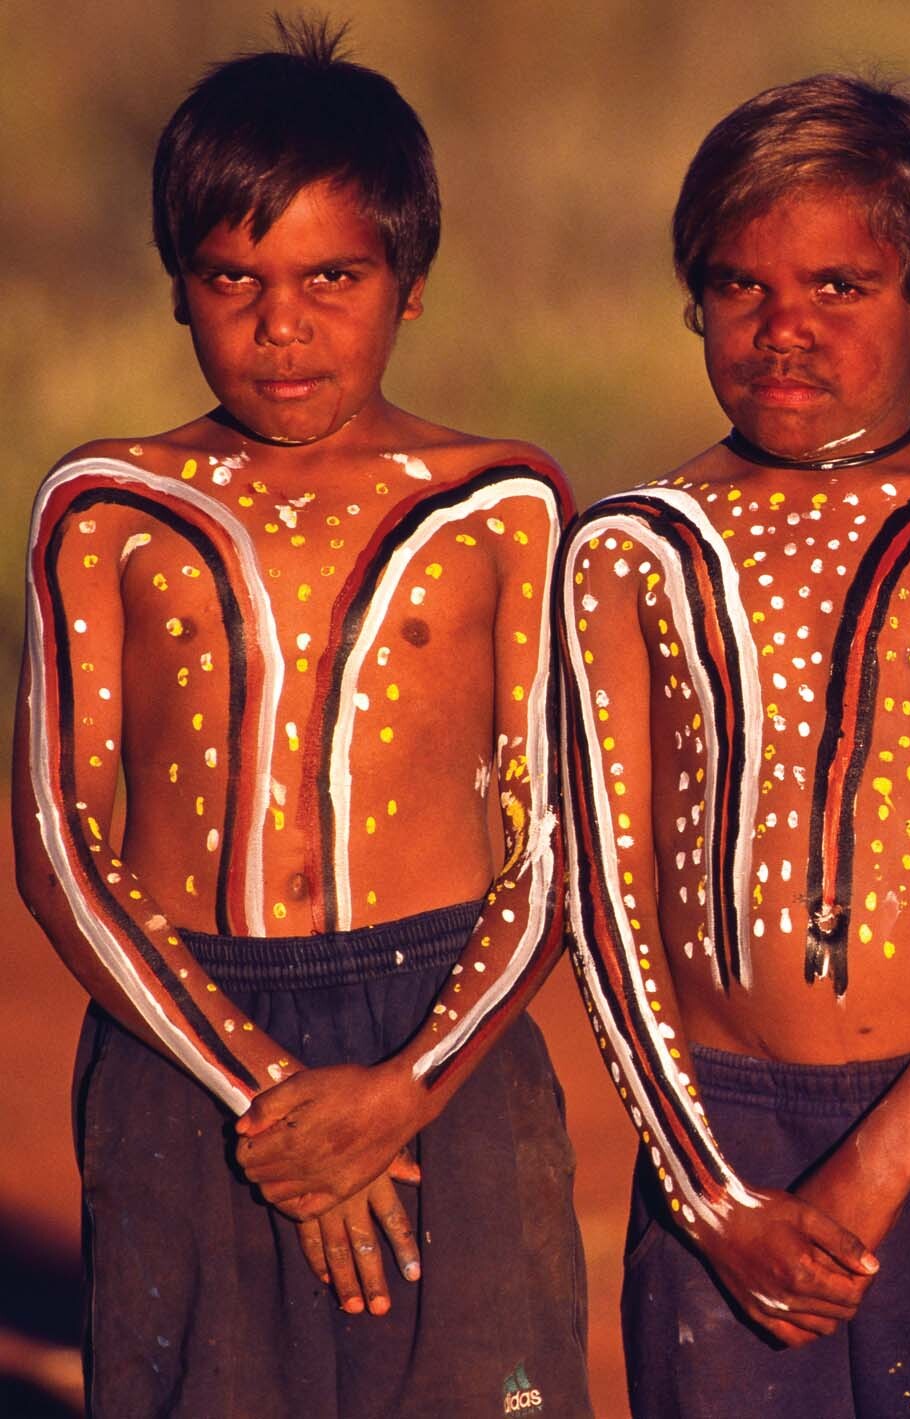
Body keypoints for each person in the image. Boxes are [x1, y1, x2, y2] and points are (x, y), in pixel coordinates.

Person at [13, 20, 590, 1418]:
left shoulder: (504, 506)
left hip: (441, 1048)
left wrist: (399, 1093)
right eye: (235, 280)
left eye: (334, 276)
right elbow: (55, 842)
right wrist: (270, 1097)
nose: (284, 327)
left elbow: (563, 846)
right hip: (178, 1036)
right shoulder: (107, 508)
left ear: (411, 282)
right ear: (178, 290)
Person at [558, 73, 910, 1418]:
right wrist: (707, 1192)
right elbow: (605, 898)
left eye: (837, 288)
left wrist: (883, 1162)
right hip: (721, 1147)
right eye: (741, 287)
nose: (782, 331)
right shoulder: (632, 550)